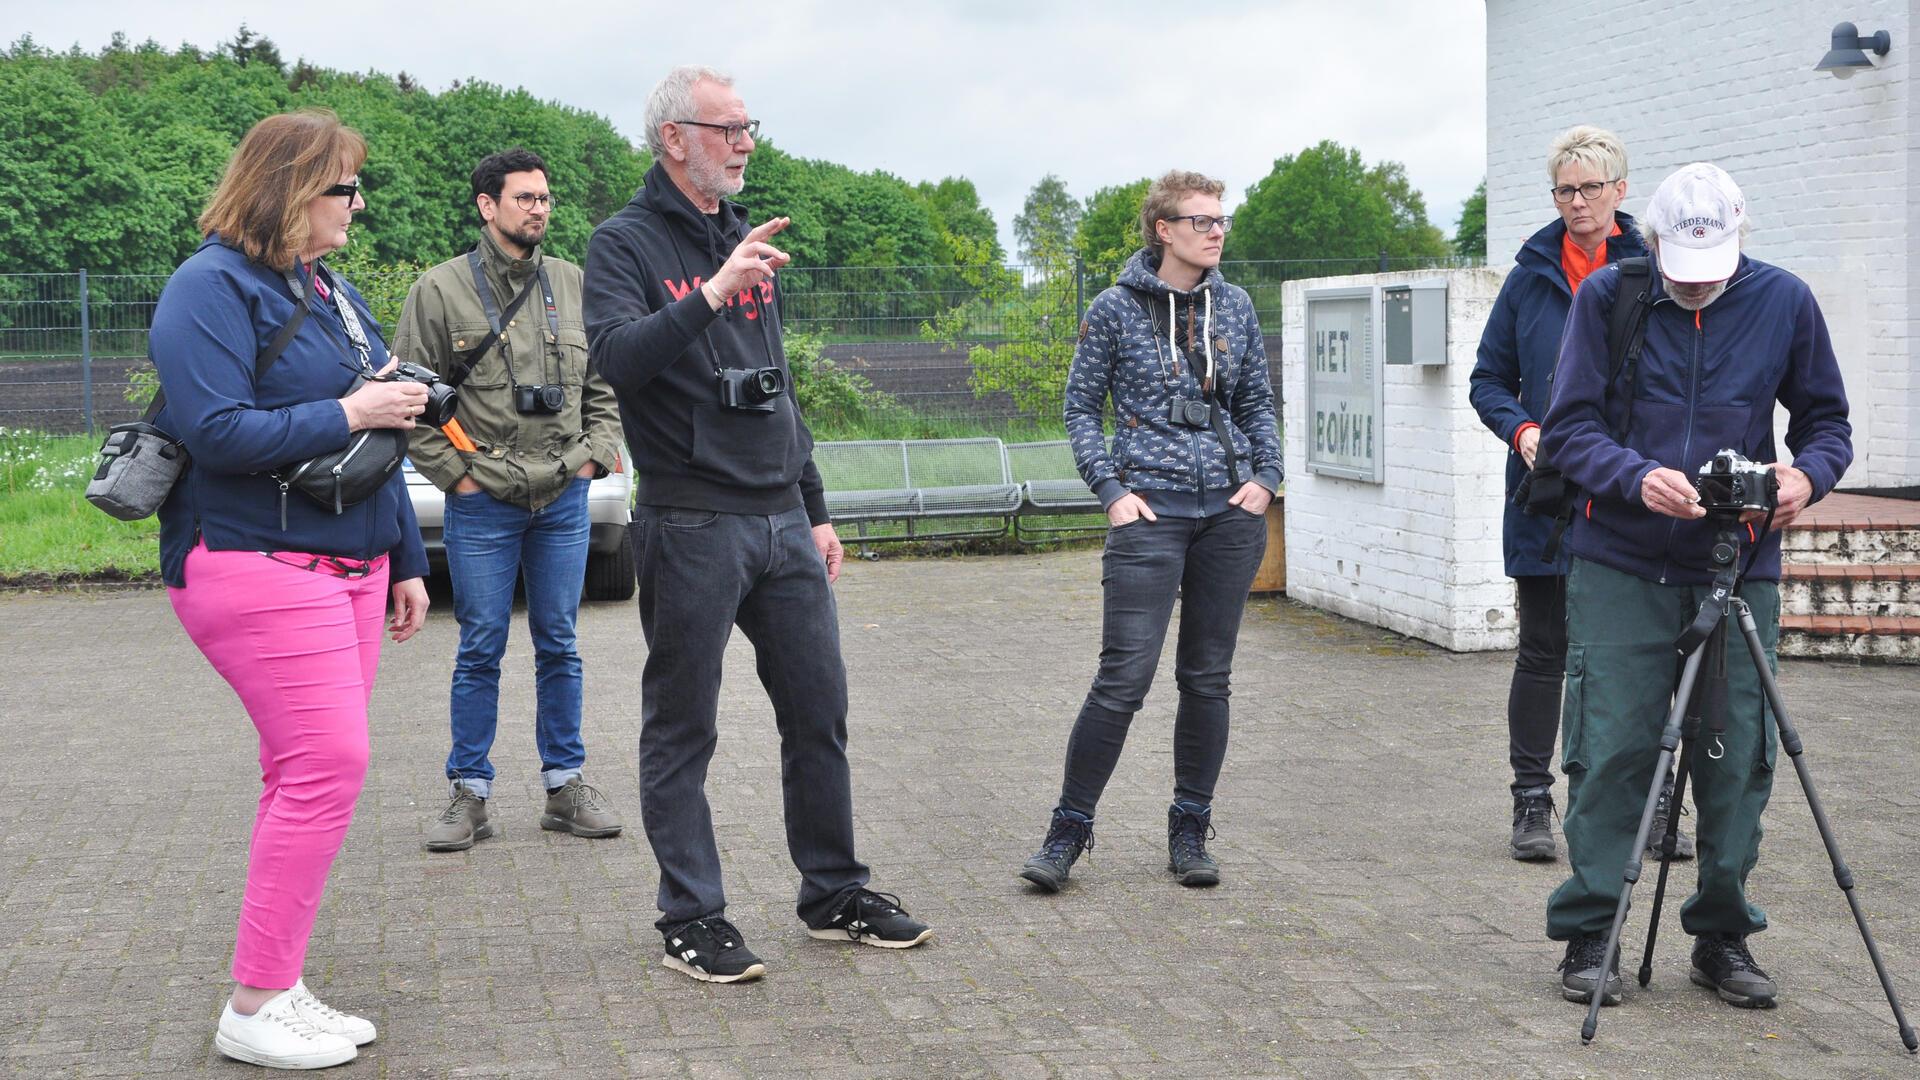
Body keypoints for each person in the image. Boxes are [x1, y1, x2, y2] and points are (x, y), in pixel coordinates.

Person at [582, 65, 930, 985]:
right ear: (674, 139)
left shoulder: (746, 236)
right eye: (727, 128)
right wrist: (706, 294)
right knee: (683, 727)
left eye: (748, 127)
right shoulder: (622, 244)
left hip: (780, 521)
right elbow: (619, 360)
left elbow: (778, 388)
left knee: (820, 712)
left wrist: (812, 508)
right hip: (693, 522)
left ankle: (833, 893)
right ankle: (691, 916)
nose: (745, 142)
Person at [151, 108, 431, 1069]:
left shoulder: (330, 287)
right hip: (250, 559)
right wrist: (349, 404)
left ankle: (280, 981)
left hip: (351, 567)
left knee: (303, 776)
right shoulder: (209, 287)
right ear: (289, 189)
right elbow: (218, 432)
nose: (358, 203)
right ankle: (255, 1003)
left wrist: (405, 559)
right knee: (328, 767)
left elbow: (379, 440)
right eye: (343, 187)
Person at [1540, 163, 1851, 1009]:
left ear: (1742, 238)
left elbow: (1828, 423)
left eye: (1712, 274)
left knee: (1737, 755)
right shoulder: (1607, 297)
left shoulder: (1785, 301)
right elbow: (1567, 430)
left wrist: (1806, 479)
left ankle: (1721, 934)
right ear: (1651, 244)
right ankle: (1591, 930)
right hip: (1622, 560)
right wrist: (1633, 476)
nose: (1698, 289)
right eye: (1681, 274)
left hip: (1738, 560)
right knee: (1611, 746)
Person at [1017, 170, 1281, 894]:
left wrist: (1267, 479)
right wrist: (1111, 492)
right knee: (1122, 679)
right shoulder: (1114, 309)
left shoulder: (1235, 306)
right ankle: (1069, 830)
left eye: (1222, 219)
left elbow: (1258, 400)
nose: (1217, 231)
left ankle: (1190, 828)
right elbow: (1079, 409)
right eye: (1201, 221)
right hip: (1149, 515)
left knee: (1207, 678)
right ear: (1163, 230)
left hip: (1229, 516)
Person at [394, 149, 625, 851]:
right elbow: (409, 402)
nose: (540, 209)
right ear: (487, 206)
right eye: (525, 198)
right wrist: (456, 478)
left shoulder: (575, 284)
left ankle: (565, 786)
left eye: (545, 198)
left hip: (562, 496)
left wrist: (591, 459)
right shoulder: (436, 293)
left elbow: (606, 389)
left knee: (560, 642)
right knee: (480, 647)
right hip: (483, 499)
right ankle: (470, 794)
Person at [1469, 126, 1678, 863]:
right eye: (1565, 189)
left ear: (1623, 191)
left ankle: (1647, 804)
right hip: (1545, 494)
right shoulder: (1530, 278)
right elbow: (1487, 379)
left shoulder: (1655, 269)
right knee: (1544, 649)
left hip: (1627, 493)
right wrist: (1522, 431)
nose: (1578, 201)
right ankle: (1532, 801)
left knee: (1632, 656)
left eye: (1592, 187)